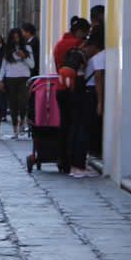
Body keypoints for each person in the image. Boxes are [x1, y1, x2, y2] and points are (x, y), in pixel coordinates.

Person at [53, 17, 90, 172]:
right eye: (85, 33)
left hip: (60, 87)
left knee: (64, 124)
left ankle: (62, 159)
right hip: (74, 88)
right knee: (75, 125)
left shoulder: (59, 44)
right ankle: (72, 158)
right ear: (80, 32)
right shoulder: (78, 45)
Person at [67, 27, 105, 178]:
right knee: (84, 130)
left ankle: (75, 164)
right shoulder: (100, 57)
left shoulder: (86, 55)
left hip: (80, 94)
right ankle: (79, 166)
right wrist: (100, 102)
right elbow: (99, 79)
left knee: (78, 129)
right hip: (90, 95)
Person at [0, 27, 35, 140]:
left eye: (18, 37)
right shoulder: (7, 49)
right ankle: (15, 130)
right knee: (13, 104)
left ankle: (22, 121)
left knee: (23, 102)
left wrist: (24, 57)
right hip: (10, 78)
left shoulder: (27, 48)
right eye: (14, 38)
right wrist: (0, 80)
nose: (16, 40)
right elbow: (3, 66)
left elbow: (32, 65)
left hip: (24, 77)